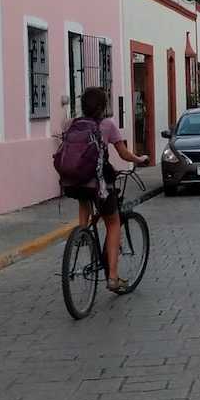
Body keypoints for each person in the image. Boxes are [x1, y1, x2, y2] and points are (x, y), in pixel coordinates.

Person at [61, 87, 149, 294]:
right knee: (113, 222)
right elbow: (124, 153)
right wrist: (139, 159)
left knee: (84, 196)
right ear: (103, 106)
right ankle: (112, 278)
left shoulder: (72, 125)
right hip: (100, 184)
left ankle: (82, 234)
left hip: (73, 183)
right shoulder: (107, 125)